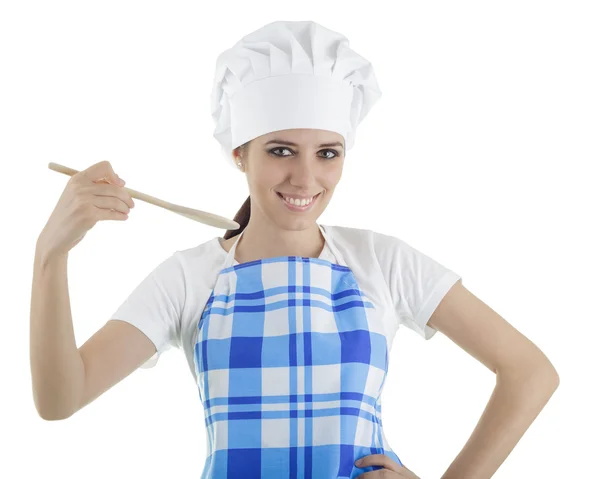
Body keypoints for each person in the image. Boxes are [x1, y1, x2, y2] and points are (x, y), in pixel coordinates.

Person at [32, 20, 462, 479]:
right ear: (240, 152)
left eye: (327, 153)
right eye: (281, 151)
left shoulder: (382, 261)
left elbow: (529, 373)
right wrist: (50, 255)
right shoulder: (188, 278)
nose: (305, 177)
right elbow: (61, 399)